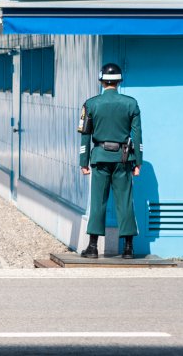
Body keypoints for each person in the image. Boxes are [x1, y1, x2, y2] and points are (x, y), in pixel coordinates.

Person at [78, 63, 142, 259]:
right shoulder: (131, 103)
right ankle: (128, 248)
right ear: (119, 81)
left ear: (101, 80)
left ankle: (93, 247)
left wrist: (83, 161)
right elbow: (138, 136)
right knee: (125, 202)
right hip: (123, 159)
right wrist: (138, 161)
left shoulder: (91, 104)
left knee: (98, 202)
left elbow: (85, 135)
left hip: (99, 158)